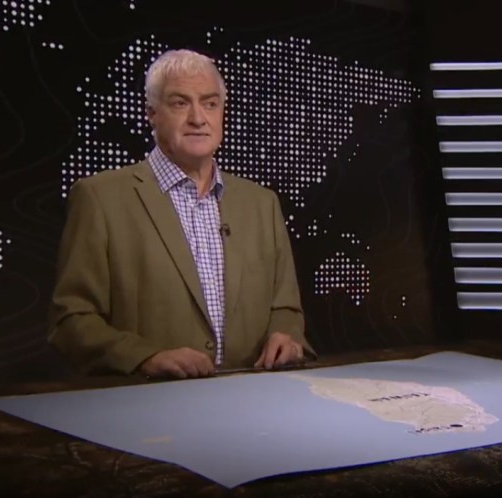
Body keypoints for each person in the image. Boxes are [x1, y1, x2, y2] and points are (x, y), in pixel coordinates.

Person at [48, 48, 314, 379]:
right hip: (151, 401)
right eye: (180, 103)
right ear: (152, 113)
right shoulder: (100, 198)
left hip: (253, 398)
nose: (198, 118)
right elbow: (71, 320)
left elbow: (285, 308)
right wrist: (145, 357)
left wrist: (286, 337)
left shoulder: (262, 203)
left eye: (210, 103)